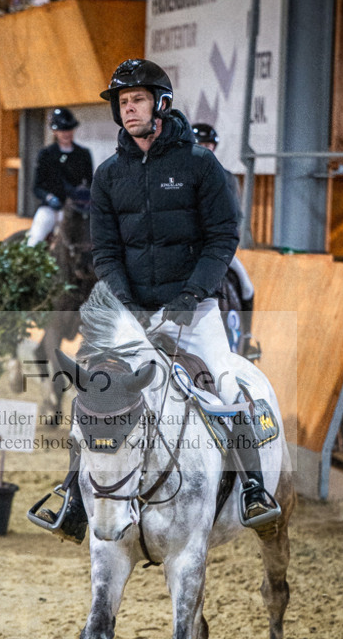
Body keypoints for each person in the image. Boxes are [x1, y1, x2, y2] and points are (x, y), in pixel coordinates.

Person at [30, 58, 280, 541]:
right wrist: (125, 301)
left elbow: (222, 236)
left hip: (194, 307)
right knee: (96, 393)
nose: (129, 110)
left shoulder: (200, 165)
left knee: (227, 387)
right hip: (132, 312)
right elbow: (105, 249)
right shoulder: (108, 175)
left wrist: (190, 296)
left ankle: (252, 488)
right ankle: (73, 497)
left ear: (161, 104)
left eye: (138, 100)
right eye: (123, 103)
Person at [191, 122, 257, 358]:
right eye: (200, 144)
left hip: (216, 249)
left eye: (208, 144)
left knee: (246, 284)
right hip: (187, 249)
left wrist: (222, 243)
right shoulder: (178, 177)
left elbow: (235, 216)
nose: (205, 149)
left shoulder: (227, 178)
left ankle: (248, 339)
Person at [26, 108, 94, 248]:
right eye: (62, 130)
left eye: (69, 129)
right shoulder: (46, 154)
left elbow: (90, 183)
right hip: (52, 209)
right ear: (55, 131)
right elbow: (36, 187)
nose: (66, 134)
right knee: (34, 241)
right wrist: (49, 198)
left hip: (77, 208)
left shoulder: (83, 154)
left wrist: (84, 193)